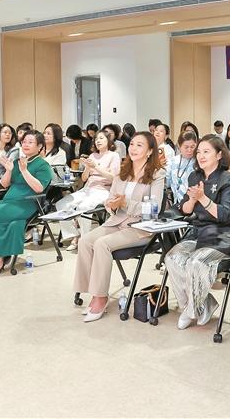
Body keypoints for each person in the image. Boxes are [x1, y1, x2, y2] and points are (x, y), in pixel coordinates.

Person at [74, 132, 165, 322]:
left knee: (102, 244)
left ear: (150, 151)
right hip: (117, 221)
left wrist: (126, 203)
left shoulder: (157, 174)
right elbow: (110, 200)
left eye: (139, 145)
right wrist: (111, 205)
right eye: (132, 144)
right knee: (85, 241)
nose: (133, 148)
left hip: (141, 227)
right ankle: (92, 292)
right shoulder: (123, 172)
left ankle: (101, 297)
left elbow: (154, 207)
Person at [164, 135, 230, 330]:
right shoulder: (194, 176)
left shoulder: (227, 179)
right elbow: (185, 210)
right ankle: (201, 304)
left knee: (196, 262)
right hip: (197, 231)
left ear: (219, 155)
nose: (201, 156)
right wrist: (192, 199)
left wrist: (203, 198)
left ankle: (190, 311)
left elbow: (225, 214)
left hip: (221, 235)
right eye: (199, 152)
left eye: (206, 152)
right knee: (172, 258)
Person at [0, 131, 54, 276]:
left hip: (27, 203)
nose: (26, 144)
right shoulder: (18, 161)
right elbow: (5, 184)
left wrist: (24, 171)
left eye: (30, 142)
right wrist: (9, 170)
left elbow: (39, 188)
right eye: (24, 142)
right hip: (9, 201)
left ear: (39, 146)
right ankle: (4, 252)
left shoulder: (43, 165)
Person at [54, 131, 121, 246]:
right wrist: (88, 168)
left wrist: (96, 167)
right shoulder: (92, 156)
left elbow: (114, 178)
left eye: (101, 138)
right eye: (96, 139)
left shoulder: (113, 155)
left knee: (83, 207)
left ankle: (85, 240)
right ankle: (74, 234)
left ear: (109, 141)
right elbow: (84, 178)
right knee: (61, 204)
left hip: (103, 190)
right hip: (87, 189)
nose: (98, 141)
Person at [167, 131, 198, 204]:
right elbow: (167, 182)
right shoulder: (173, 161)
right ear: (179, 146)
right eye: (186, 147)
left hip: (194, 202)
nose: (189, 150)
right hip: (177, 203)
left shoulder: (198, 162)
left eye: (192, 147)